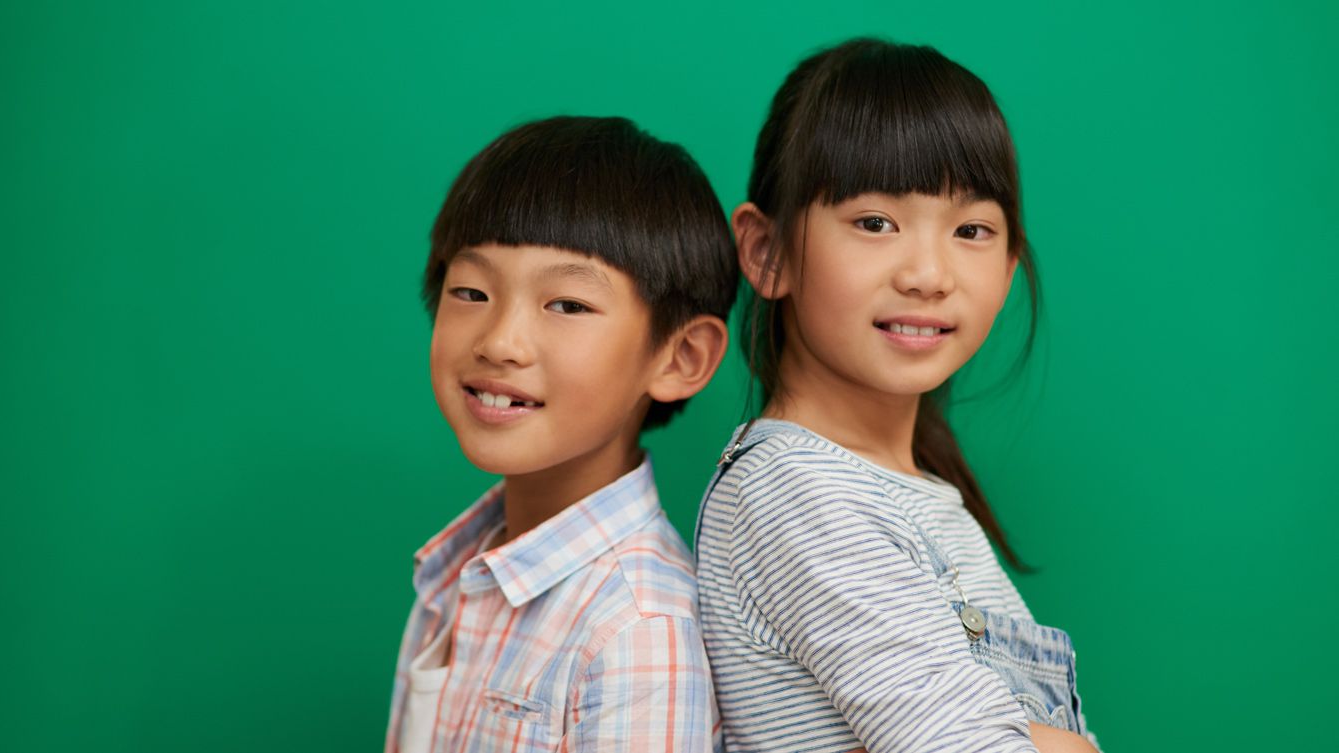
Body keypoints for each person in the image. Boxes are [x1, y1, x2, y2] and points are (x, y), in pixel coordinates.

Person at [693, 39, 1099, 752]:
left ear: (1009, 267)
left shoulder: (899, 494)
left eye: (971, 230)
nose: (929, 275)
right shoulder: (798, 492)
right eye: (875, 223)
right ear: (767, 252)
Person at [386, 116, 737, 753]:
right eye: (471, 291)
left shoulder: (639, 630)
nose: (500, 342)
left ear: (680, 357)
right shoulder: (457, 572)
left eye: (567, 305)